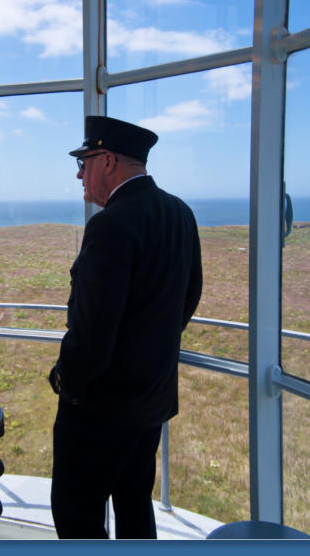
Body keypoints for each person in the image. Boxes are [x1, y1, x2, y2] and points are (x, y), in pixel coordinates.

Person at [48, 115, 203, 539]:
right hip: (148, 405)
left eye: (85, 162)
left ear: (109, 162)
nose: (80, 174)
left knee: (77, 515)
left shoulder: (110, 225)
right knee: (135, 507)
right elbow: (190, 295)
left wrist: (67, 381)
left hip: (100, 413)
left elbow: (93, 335)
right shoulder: (179, 212)